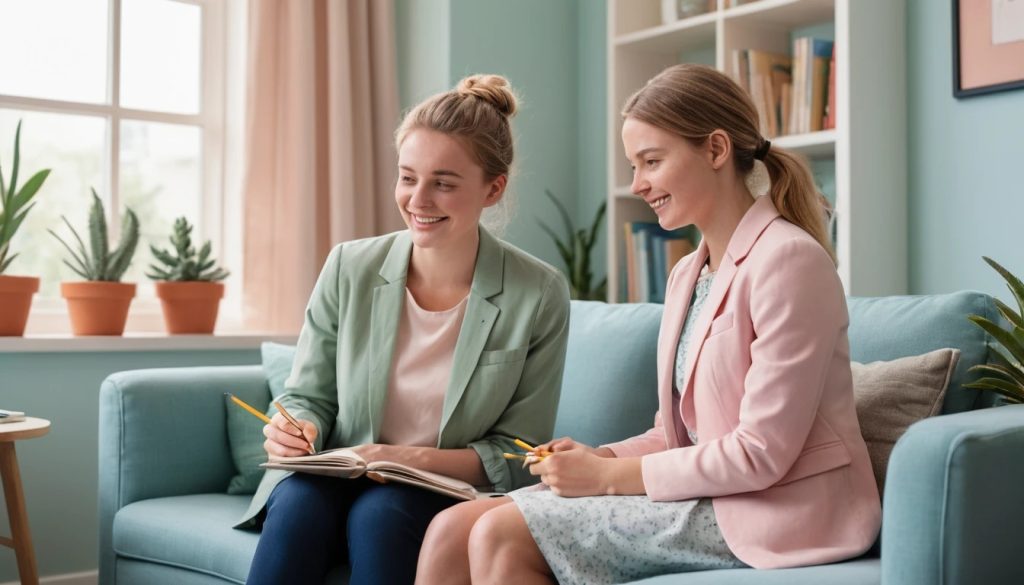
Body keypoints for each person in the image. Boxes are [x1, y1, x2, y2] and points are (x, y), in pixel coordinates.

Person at [416, 63, 881, 585]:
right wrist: (599, 456)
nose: (637, 184)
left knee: (499, 533)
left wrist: (607, 476)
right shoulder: (687, 274)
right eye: (634, 165)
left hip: (777, 509)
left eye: (652, 161)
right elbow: (676, 434)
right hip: (711, 492)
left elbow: (760, 452)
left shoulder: (790, 261)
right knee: (451, 528)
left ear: (716, 149)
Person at [239, 73, 571, 585]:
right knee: (299, 505)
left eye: (444, 183)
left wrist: (396, 459)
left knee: (381, 514)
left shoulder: (539, 293)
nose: (418, 199)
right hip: (336, 476)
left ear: (493, 189)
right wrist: (297, 427)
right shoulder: (349, 267)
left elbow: (516, 451)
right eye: (408, 177)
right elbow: (307, 396)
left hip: (441, 490)